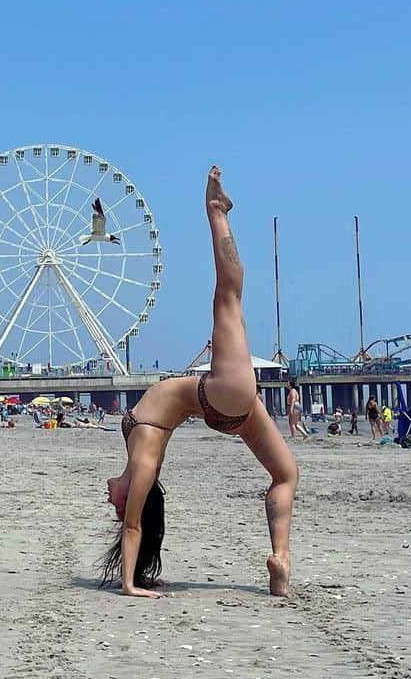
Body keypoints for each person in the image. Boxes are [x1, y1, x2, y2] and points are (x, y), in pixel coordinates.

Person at [102, 166, 298, 598]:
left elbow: (138, 525)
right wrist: (129, 586)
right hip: (219, 396)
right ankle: (216, 212)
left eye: (115, 505)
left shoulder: (140, 458)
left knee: (286, 474)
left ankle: (281, 557)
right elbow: (134, 526)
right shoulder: (142, 465)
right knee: (228, 291)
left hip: (226, 405)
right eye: (114, 505)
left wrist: (137, 573)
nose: (109, 500)